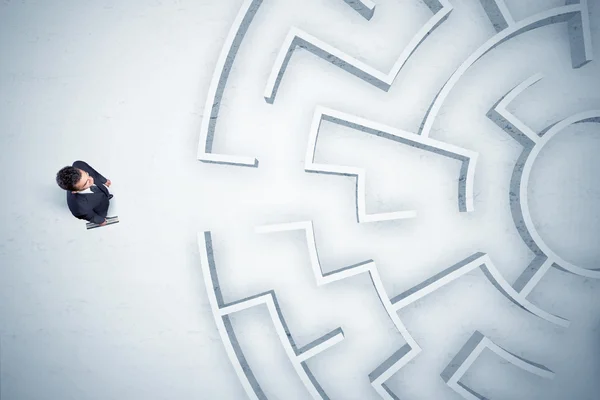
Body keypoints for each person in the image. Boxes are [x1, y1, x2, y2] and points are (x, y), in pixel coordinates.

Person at [56, 160, 114, 226]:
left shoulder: (79, 165)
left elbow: (93, 172)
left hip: (102, 191)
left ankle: (107, 196)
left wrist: (104, 180)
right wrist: (101, 221)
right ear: (75, 191)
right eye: (86, 182)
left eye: (87, 174)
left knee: (104, 195)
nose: (91, 179)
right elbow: (91, 216)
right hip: (99, 209)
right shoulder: (78, 208)